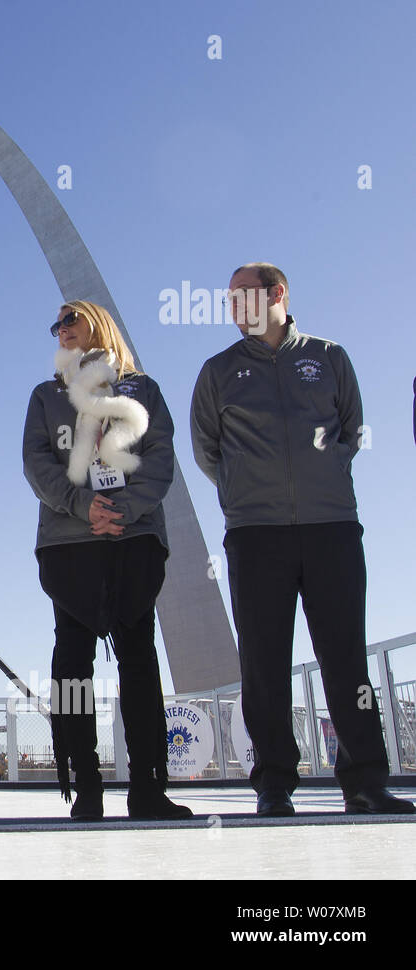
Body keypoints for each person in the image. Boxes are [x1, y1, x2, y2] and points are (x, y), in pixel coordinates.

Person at [191, 262, 412, 816]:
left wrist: (325, 474)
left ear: (278, 294)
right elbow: (206, 449)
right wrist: (247, 489)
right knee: (263, 664)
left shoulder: (331, 357)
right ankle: (273, 784)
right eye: (229, 299)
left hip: (331, 525)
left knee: (344, 657)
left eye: (244, 295)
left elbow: (351, 429)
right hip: (254, 532)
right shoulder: (217, 371)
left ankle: (364, 781)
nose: (234, 306)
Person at [23, 301, 192, 820]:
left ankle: (148, 786)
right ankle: (86, 786)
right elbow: (36, 463)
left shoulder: (144, 390)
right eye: (55, 325)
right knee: (72, 663)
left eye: (69, 319)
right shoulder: (47, 396)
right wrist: (82, 506)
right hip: (70, 545)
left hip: (131, 538)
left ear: (97, 322)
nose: (60, 329)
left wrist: (121, 507)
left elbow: (160, 456)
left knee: (138, 658)